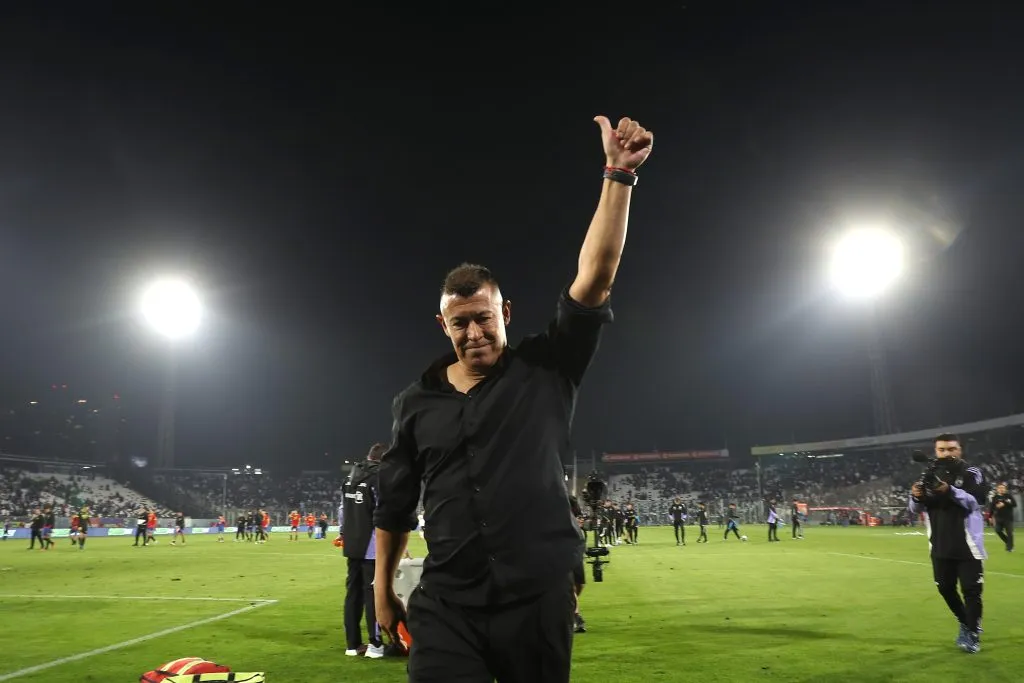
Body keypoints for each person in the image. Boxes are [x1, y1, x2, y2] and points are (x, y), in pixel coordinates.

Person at [373, 114, 654, 683]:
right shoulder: (415, 403)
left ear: (504, 313)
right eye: (459, 324)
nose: (473, 333)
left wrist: (617, 176)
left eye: (482, 318)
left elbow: (595, 277)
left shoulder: (546, 368)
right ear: (442, 325)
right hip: (447, 602)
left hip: (537, 598)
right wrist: (382, 594)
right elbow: (395, 509)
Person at [908, 433, 988, 653]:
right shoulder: (928, 474)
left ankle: (972, 634)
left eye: (951, 449)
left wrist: (951, 490)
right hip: (940, 544)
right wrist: (915, 496)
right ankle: (965, 623)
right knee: (945, 588)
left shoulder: (972, 473)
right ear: (936, 451)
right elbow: (916, 509)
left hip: (968, 546)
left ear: (960, 449)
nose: (947, 453)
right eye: (942, 449)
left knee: (971, 591)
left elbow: (976, 502)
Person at [342, 443, 386, 659]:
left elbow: (343, 510)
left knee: (352, 593)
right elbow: (381, 514)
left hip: (352, 545)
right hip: (371, 548)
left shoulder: (351, 477)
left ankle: (352, 645)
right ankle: (375, 645)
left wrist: (344, 534)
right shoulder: (377, 479)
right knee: (372, 595)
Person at [988, 483, 1015, 552]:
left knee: (1009, 532)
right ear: (997, 489)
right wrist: (990, 517)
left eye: (1003, 488)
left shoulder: (1009, 496)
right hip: (999, 518)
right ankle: (1008, 542)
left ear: (1005, 489)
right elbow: (991, 507)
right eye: (1000, 488)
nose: (1001, 489)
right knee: (998, 530)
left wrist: (1004, 503)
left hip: (1008, 518)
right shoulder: (995, 497)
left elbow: (1014, 504)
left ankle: (1009, 548)